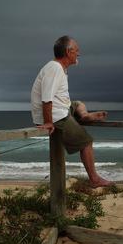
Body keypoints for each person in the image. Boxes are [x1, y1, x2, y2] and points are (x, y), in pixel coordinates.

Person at [31, 35, 113, 187]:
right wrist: (49, 122)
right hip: (56, 117)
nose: (78, 53)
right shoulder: (54, 68)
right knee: (86, 142)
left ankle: (85, 115)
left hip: (61, 109)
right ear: (68, 52)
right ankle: (94, 179)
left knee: (77, 103)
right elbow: (46, 98)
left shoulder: (60, 69)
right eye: (76, 50)